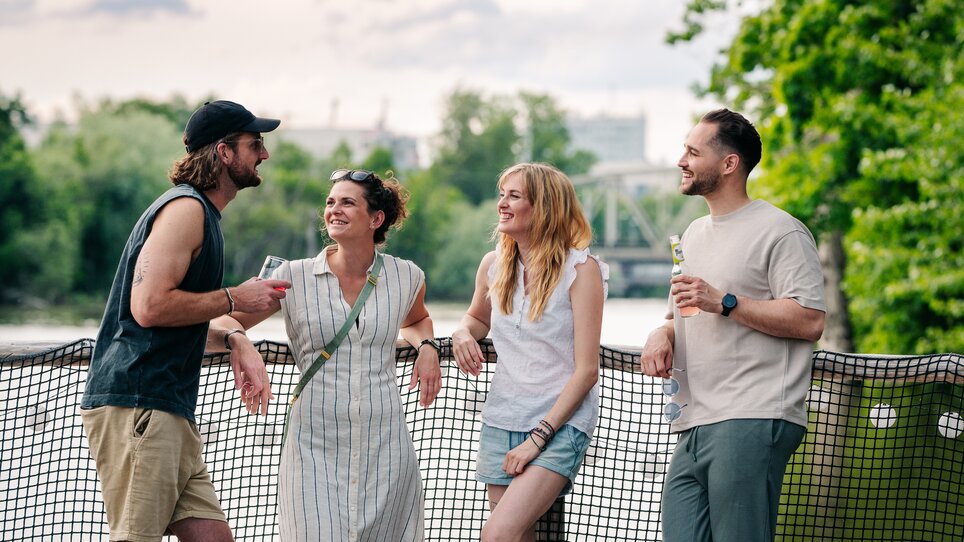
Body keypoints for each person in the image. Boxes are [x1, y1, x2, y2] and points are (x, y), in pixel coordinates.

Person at [80, 100, 290, 542]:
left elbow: (176, 319)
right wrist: (235, 297)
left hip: (169, 409)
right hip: (142, 403)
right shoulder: (185, 210)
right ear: (224, 152)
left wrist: (235, 338)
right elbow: (150, 307)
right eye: (255, 144)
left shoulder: (204, 215)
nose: (264, 154)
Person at [214, 168, 442, 541]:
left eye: (347, 203)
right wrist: (239, 341)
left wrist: (427, 347)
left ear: (376, 219)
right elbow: (222, 320)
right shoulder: (292, 277)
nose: (334, 209)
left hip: (386, 450)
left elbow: (417, 320)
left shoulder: (407, 276)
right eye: (330, 202)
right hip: (313, 449)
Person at [639, 108, 826, 542]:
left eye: (692, 152)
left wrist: (725, 302)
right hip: (693, 421)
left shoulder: (782, 231)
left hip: (752, 414)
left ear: (729, 164)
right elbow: (678, 317)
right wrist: (659, 333)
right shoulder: (692, 234)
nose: (681, 161)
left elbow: (810, 319)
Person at [451, 162, 608, 542]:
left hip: (560, 423)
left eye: (514, 196)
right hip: (502, 417)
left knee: (498, 534)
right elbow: (477, 318)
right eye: (502, 195)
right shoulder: (494, 265)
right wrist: (461, 333)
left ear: (544, 207)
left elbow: (587, 370)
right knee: (517, 537)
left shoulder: (581, 270)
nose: (502, 204)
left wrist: (539, 437)